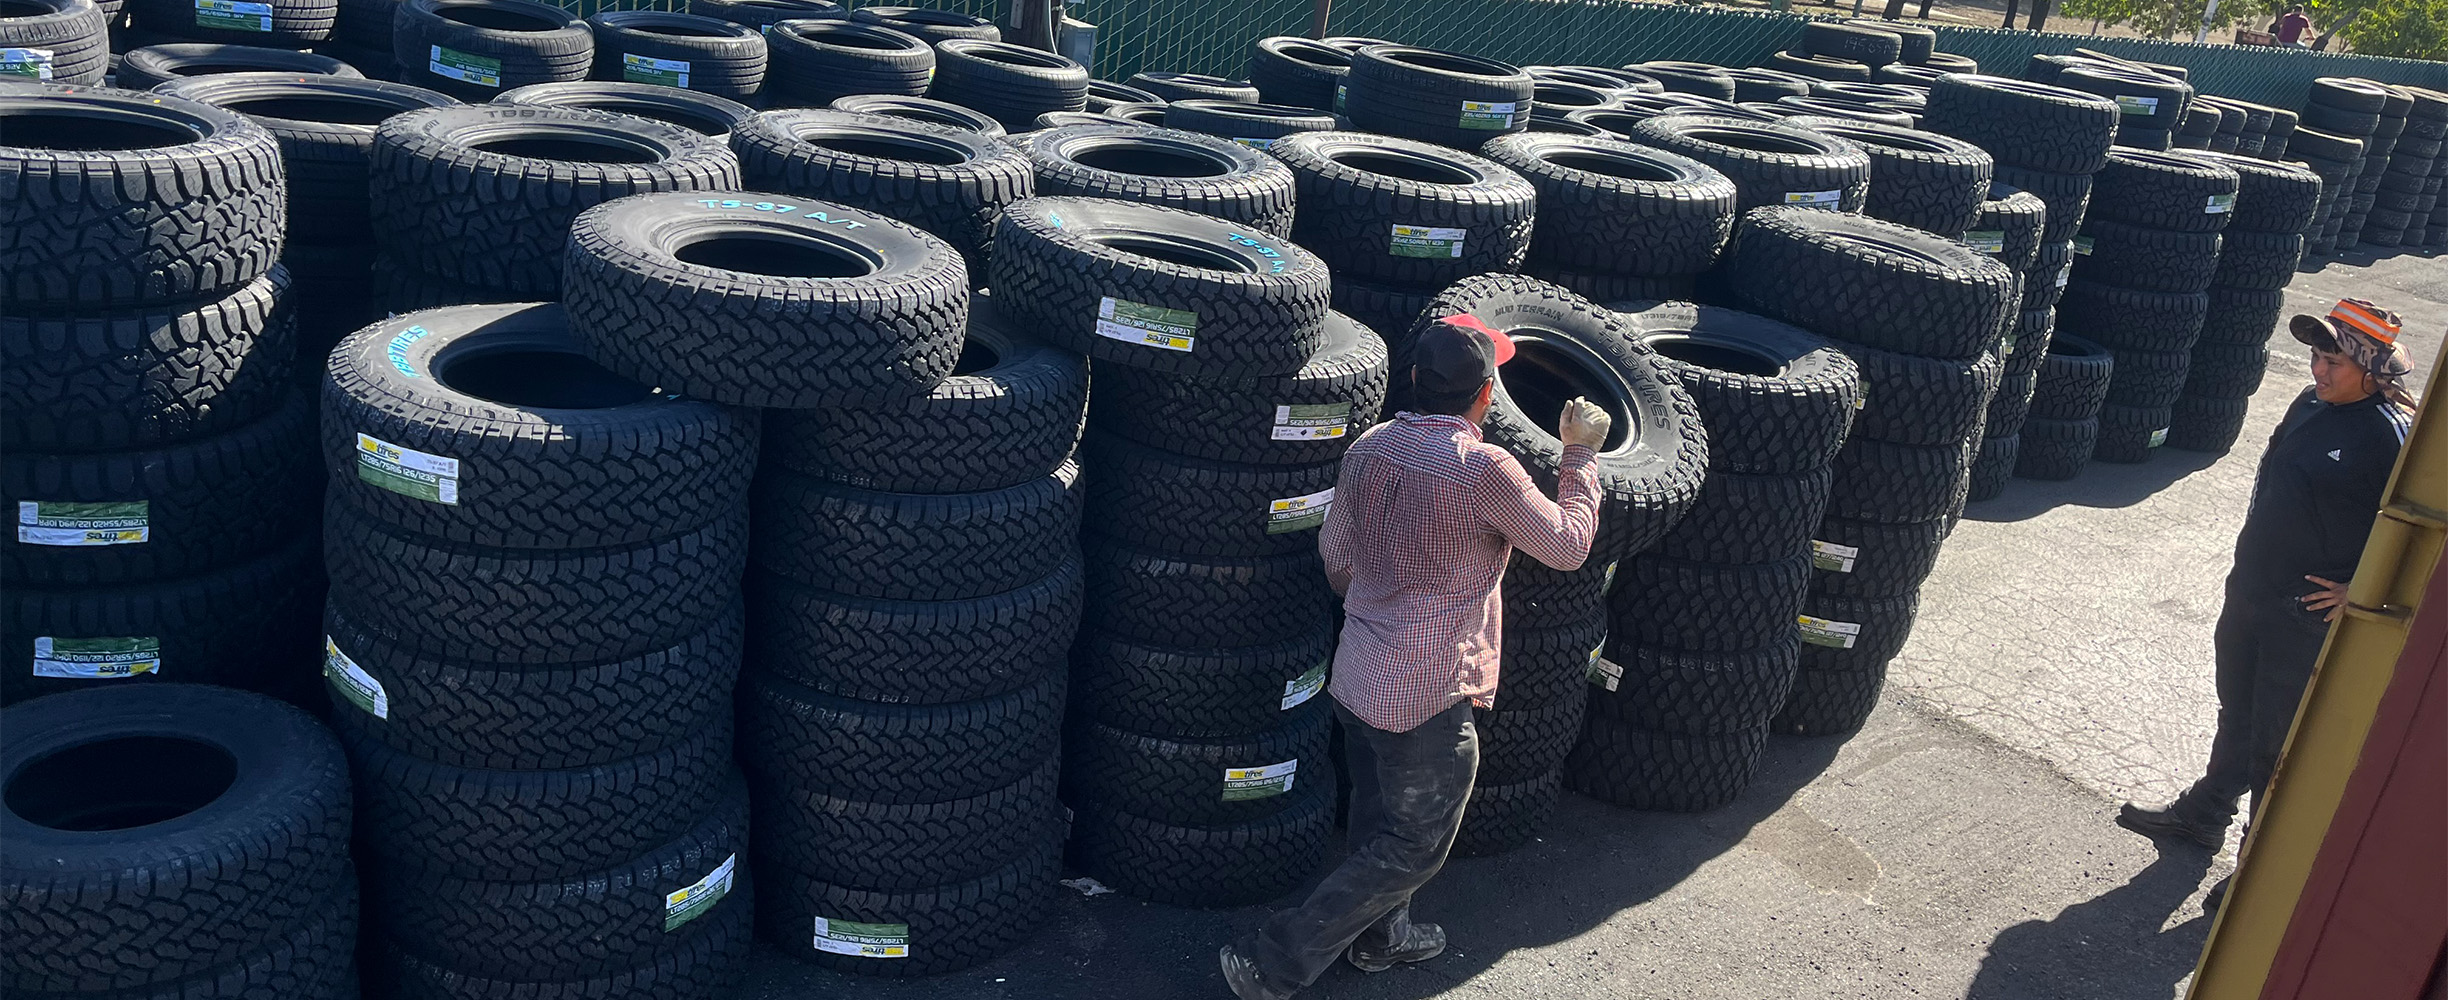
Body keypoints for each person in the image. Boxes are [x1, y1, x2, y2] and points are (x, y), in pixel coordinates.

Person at [1219, 314, 1612, 999]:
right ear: (1487, 394)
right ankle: (1272, 962)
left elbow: (1336, 556)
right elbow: (1569, 548)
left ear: (1413, 381)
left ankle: (1383, 939)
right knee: (1415, 844)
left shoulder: (1369, 448)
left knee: (1380, 824)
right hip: (1427, 697)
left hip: (1358, 675)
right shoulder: (1486, 470)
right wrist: (1580, 456)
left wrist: (1383, 601)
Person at [2118, 299, 2418, 907]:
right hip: (2252, 590)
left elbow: (2419, 531)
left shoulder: (2389, 435)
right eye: (2314, 356)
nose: (2318, 371)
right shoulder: (2310, 403)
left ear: (2370, 368)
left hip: (2303, 615)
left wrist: (2363, 586)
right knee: (2238, 710)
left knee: (2276, 744)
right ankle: (2205, 814)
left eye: (2332, 360)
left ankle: (2259, 865)